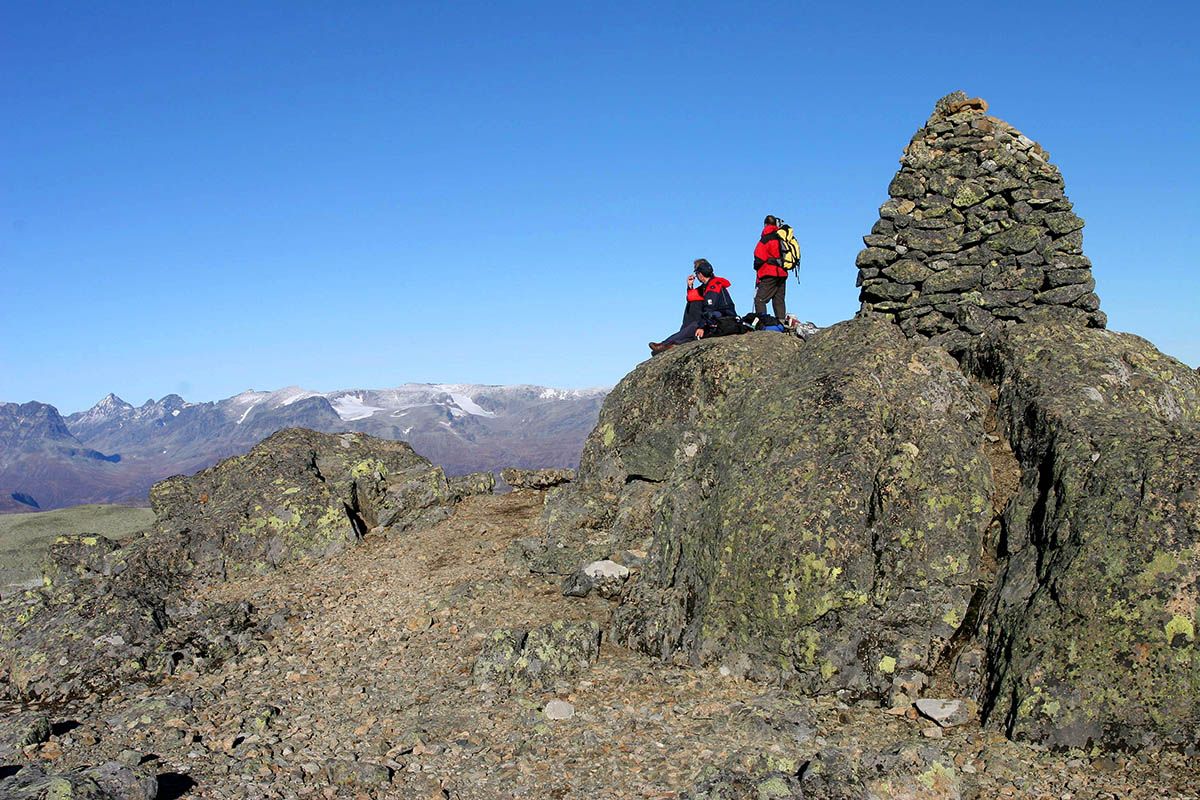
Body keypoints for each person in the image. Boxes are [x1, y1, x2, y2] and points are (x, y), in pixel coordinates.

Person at [649, 259, 736, 354]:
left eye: (696, 272)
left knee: (695, 326)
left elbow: (709, 309)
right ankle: (671, 345)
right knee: (695, 325)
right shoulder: (707, 285)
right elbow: (692, 297)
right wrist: (690, 286)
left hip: (724, 317)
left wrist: (701, 327)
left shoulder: (713, 285)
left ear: (700, 274)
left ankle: (665, 344)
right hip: (716, 316)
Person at [753, 214, 788, 320]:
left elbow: (759, 257)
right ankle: (781, 323)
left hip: (769, 273)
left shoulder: (765, 239)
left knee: (760, 299)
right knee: (778, 300)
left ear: (765, 225)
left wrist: (756, 266)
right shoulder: (782, 238)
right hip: (782, 273)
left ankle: (763, 322)